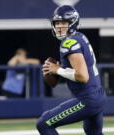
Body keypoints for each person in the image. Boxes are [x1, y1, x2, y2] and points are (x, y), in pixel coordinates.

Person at [37, 5, 106, 135]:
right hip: (97, 95)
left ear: (72, 23)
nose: (59, 26)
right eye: (57, 23)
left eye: (63, 22)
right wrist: (59, 69)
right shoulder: (80, 37)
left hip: (87, 99)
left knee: (43, 123)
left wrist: (58, 70)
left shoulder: (69, 43)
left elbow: (82, 76)